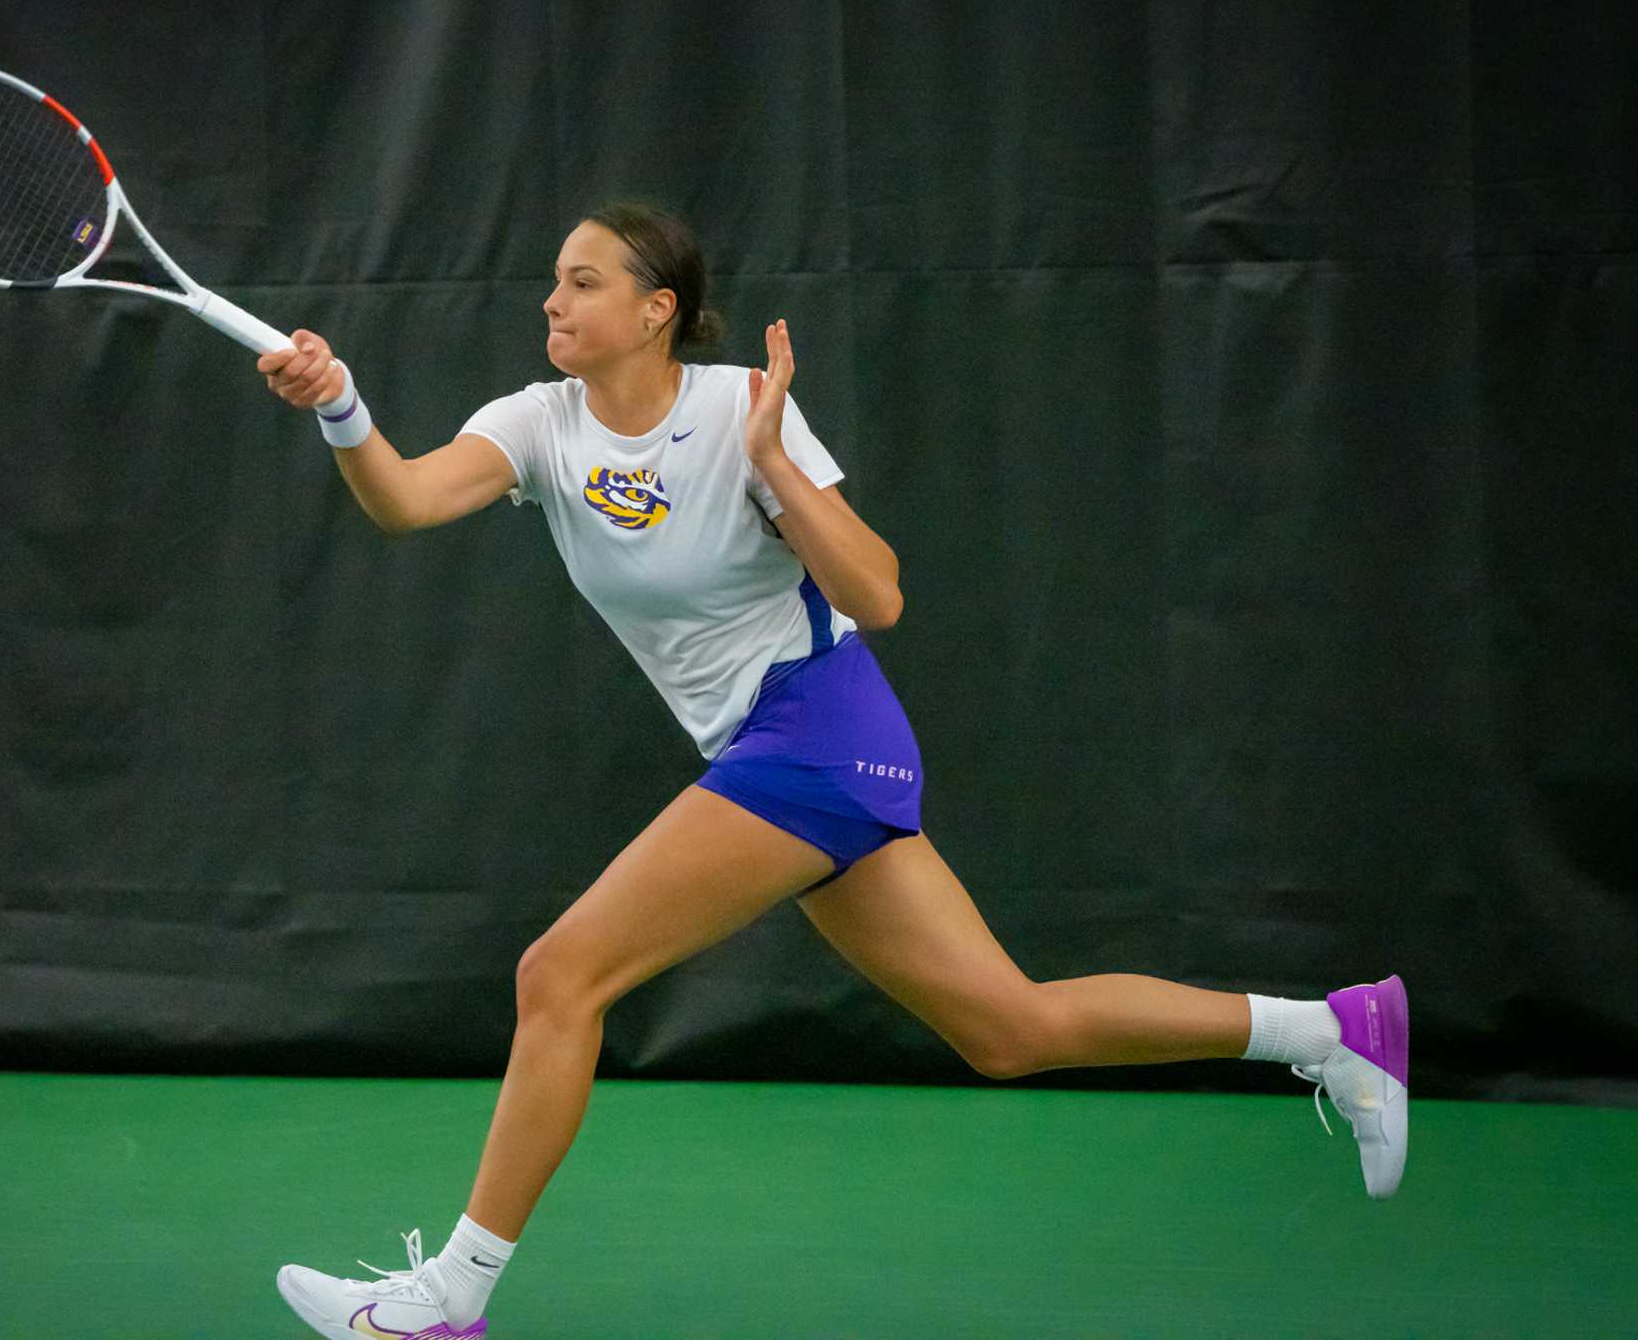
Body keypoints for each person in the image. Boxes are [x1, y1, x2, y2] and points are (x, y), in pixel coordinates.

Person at [261, 203, 1408, 1339]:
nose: (551, 301)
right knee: (1007, 1029)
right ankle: (1328, 1032)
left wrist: (771, 463)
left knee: (559, 975)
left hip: (814, 728)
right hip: (784, 749)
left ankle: (453, 1296)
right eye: (553, 281)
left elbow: (880, 595)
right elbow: (406, 500)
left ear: (658, 309)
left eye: (582, 281)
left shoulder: (735, 410)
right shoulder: (538, 423)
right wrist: (342, 407)